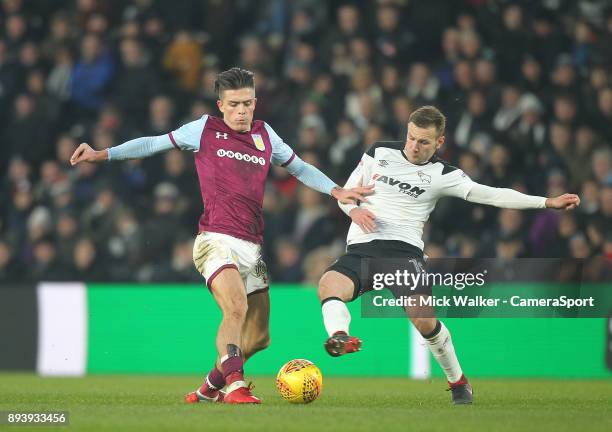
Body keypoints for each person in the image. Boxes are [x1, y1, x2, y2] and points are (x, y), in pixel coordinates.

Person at [70, 67, 372, 404]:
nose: (241, 111)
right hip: (215, 239)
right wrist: (103, 153)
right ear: (221, 105)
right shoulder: (203, 129)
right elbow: (154, 144)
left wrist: (336, 190)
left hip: (252, 246)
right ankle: (235, 387)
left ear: (255, 103)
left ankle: (210, 386)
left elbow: (299, 167)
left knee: (258, 338)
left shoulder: (265, 135)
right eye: (234, 104)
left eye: (247, 103)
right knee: (235, 308)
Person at [318, 105, 580, 405]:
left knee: (424, 321)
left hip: (403, 254)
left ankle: (458, 381)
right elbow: (345, 194)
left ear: (440, 142)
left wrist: (547, 202)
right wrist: (355, 209)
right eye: (411, 138)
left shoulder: (444, 175)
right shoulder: (378, 152)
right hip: (362, 248)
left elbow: (493, 195)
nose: (414, 147)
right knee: (328, 285)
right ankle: (339, 335)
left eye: (424, 142)